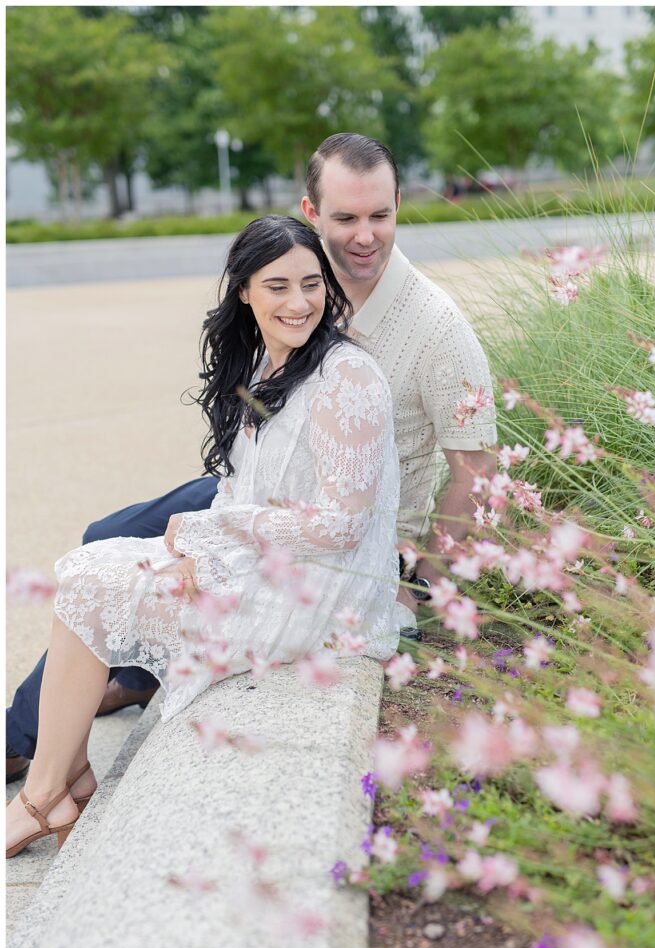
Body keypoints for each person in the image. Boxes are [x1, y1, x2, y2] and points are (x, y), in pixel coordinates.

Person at [6, 133, 497, 783]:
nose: (365, 235)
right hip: (263, 496)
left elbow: (477, 468)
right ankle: (116, 685)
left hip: (341, 534)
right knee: (106, 535)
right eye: (345, 218)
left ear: (399, 205)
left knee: (126, 564)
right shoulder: (299, 283)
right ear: (311, 211)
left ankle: (25, 737)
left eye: (381, 215)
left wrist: (418, 587)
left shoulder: (436, 327)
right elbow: (259, 410)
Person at [6, 215, 403, 857]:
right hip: (266, 565)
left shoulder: (346, 377)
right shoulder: (268, 364)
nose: (299, 303)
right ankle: (65, 776)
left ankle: (42, 794)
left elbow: (342, 524)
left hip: (323, 595)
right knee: (84, 569)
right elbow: (245, 487)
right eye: (277, 286)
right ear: (244, 291)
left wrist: (215, 530)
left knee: (97, 582)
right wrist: (203, 545)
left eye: (311, 284)